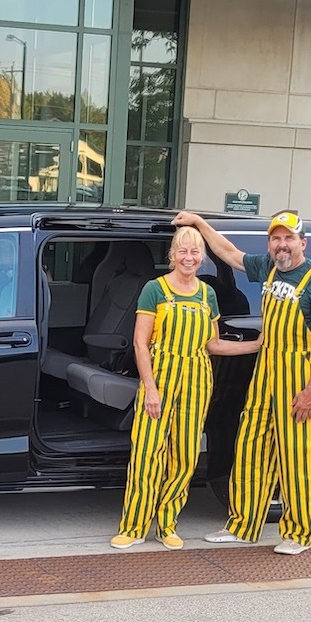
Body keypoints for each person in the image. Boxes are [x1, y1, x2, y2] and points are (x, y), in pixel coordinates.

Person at [174, 208, 311, 556]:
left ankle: (299, 533)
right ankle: (243, 526)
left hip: (300, 379)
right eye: (276, 239)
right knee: (251, 447)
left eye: (288, 239)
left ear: (302, 243)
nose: (282, 245)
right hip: (266, 374)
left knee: (298, 457)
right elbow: (230, 253)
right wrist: (200, 225)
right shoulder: (268, 267)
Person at [112, 225, 250, 550]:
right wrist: (151, 389)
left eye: (194, 252)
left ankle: (167, 524)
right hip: (159, 379)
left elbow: (213, 344)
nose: (188, 257)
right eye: (182, 251)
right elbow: (140, 344)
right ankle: (133, 526)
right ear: (172, 255)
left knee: (185, 456)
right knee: (147, 454)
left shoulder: (207, 294)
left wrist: (256, 345)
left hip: (197, 381)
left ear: (202, 258)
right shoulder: (154, 290)